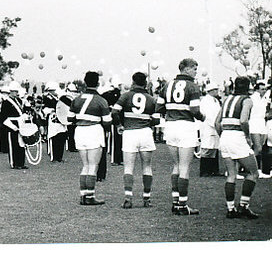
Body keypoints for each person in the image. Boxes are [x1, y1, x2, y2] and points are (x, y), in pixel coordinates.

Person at [158, 58, 204, 215]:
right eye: (194, 68)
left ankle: (176, 202)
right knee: (184, 166)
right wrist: (202, 118)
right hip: (186, 126)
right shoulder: (193, 86)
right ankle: (183, 205)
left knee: (177, 165)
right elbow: (195, 110)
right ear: (185, 69)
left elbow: (159, 107)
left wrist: (172, 112)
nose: (196, 71)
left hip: (170, 126)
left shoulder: (167, 85)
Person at [215, 76, 261, 219]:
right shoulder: (247, 100)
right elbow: (243, 120)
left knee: (231, 174)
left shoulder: (227, 99)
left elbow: (217, 123)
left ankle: (230, 209)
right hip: (237, 137)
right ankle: (243, 206)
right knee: (253, 172)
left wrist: (223, 135)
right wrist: (247, 136)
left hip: (225, 137)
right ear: (248, 87)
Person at [112, 72, 159, 208]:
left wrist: (120, 125)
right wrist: (147, 121)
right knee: (147, 166)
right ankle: (146, 198)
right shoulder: (151, 99)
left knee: (128, 167)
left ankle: (128, 197)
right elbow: (156, 120)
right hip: (145, 133)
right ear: (145, 83)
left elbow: (114, 112)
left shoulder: (125, 96)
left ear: (133, 82)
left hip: (130, 133)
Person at [70, 71, 112, 205]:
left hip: (79, 131)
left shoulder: (76, 99)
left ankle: (83, 195)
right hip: (94, 130)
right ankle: (90, 196)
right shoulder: (101, 100)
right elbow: (107, 122)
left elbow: (70, 118)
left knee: (85, 165)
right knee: (93, 166)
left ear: (85, 82)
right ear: (98, 83)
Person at [197, 83, 223, 177]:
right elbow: (208, 115)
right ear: (211, 91)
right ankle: (204, 171)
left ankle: (214, 170)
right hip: (208, 127)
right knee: (207, 148)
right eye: (215, 89)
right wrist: (215, 124)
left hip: (215, 127)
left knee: (214, 148)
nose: (217, 91)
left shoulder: (216, 101)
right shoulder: (205, 101)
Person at [0, 82, 27, 169]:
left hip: (20, 124)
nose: (16, 93)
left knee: (21, 144)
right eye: (14, 91)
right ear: (10, 92)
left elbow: (22, 112)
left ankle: (21, 163)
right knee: (13, 144)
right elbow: (3, 117)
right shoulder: (6, 102)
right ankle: (14, 163)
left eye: (16, 91)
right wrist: (12, 126)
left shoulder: (19, 101)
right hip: (12, 125)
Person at [249, 80, 270, 178]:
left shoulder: (265, 99)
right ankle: (254, 169)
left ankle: (255, 169)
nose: (264, 91)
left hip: (262, 124)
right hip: (254, 123)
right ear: (257, 90)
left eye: (265, 89)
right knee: (257, 148)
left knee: (260, 148)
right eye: (262, 89)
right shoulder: (252, 98)